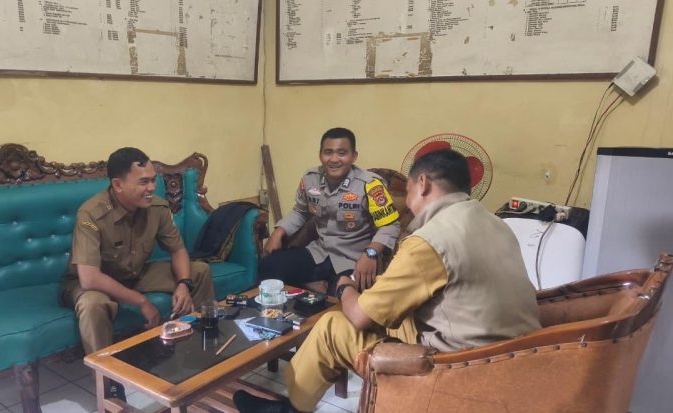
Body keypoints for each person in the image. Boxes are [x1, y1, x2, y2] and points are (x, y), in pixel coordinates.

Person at [234, 149, 541, 413]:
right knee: (390, 313)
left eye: (408, 191)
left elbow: (360, 315)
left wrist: (345, 286)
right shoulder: (498, 224)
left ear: (422, 184)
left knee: (332, 325)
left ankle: (290, 408)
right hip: (514, 358)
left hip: (458, 366)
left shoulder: (430, 240)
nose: (407, 204)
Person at [60, 147, 215, 400]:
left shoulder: (157, 207)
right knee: (92, 305)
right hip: (94, 283)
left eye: (153, 180)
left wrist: (184, 284)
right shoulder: (91, 214)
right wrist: (141, 302)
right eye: (143, 182)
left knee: (199, 271)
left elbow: (178, 250)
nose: (152, 188)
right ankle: (109, 384)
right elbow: (89, 278)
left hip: (135, 274)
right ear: (118, 185)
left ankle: (199, 353)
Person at [260, 127, 401, 292]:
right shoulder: (311, 178)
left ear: (354, 156)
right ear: (320, 155)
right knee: (269, 266)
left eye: (342, 153)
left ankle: (322, 293)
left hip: (353, 260)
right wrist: (278, 232)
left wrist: (370, 253)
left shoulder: (370, 185)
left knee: (342, 292)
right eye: (328, 152)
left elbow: (390, 225)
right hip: (319, 253)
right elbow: (300, 212)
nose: (334, 159)